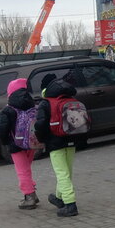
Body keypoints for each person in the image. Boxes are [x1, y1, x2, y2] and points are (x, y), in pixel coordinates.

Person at [34, 75, 83, 217]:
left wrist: (41, 139)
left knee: (62, 173)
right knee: (67, 171)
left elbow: (40, 125)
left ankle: (70, 204)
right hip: (72, 139)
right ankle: (59, 197)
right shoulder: (70, 99)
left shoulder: (46, 103)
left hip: (55, 143)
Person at [0, 78, 42, 209]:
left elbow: (2, 129)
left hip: (16, 145)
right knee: (27, 169)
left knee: (22, 171)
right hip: (31, 143)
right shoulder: (32, 105)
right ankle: (32, 192)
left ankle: (29, 197)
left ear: (10, 92)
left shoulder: (8, 109)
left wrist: (5, 141)